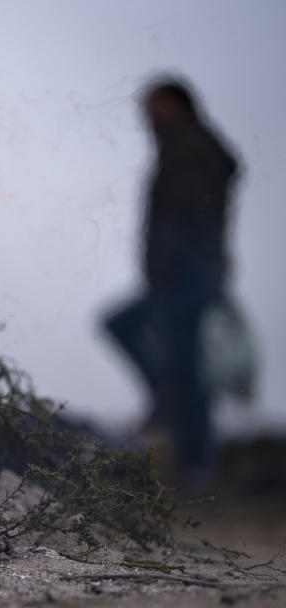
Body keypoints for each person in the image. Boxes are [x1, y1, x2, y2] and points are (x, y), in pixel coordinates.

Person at [103, 77, 239, 485]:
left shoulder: (191, 148)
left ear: (178, 105)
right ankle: (170, 406)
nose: (147, 117)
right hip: (184, 274)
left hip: (188, 275)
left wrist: (171, 259)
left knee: (186, 366)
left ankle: (196, 462)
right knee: (131, 331)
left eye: (154, 107)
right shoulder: (180, 148)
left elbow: (193, 211)